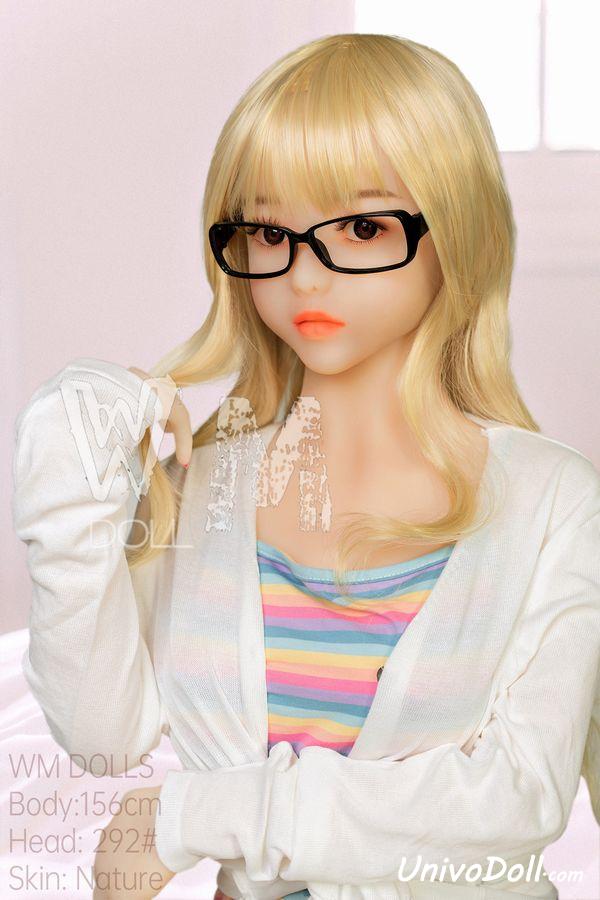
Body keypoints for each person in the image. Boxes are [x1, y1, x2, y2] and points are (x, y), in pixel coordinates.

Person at [12, 32, 600, 900]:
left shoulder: (555, 506)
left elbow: (514, 800)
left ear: (456, 231)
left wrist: (199, 816)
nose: (305, 278)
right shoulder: (197, 490)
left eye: (362, 227)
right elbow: (102, 735)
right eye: (267, 231)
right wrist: (73, 434)